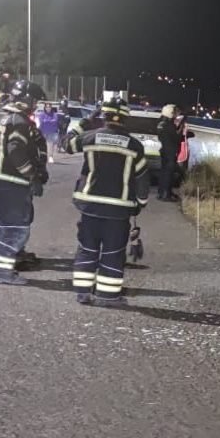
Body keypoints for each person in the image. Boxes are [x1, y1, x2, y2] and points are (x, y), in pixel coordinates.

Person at [62, 96, 149, 307]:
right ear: (125, 119)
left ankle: (83, 293)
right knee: (113, 252)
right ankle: (107, 296)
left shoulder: (91, 137)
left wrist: (84, 123)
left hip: (89, 206)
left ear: (104, 116)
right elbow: (142, 180)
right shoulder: (135, 146)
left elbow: (67, 144)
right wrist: (140, 203)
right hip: (118, 212)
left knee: (87, 249)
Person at [0, 80, 49, 285]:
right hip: (13, 182)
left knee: (3, 226)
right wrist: (32, 176)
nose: (36, 105)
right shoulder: (19, 122)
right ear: (26, 100)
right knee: (15, 228)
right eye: (35, 101)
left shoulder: (7, 119)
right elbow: (16, 151)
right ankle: (2, 272)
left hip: (3, 182)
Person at [157, 104, 182, 202]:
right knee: (168, 174)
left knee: (163, 173)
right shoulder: (169, 125)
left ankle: (161, 193)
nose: (175, 114)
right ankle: (166, 195)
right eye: (174, 112)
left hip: (164, 150)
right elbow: (176, 138)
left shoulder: (161, 123)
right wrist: (180, 130)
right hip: (170, 152)